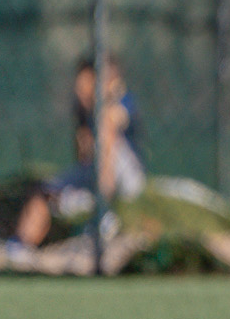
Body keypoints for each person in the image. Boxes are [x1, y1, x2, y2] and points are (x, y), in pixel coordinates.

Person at [14, 54, 143, 248]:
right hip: (91, 171)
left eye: (86, 80)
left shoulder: (121, 100)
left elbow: (113, 123)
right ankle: (19, 246)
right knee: (42, 191)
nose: (79, 86)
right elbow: (83, 158)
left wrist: (109, 97)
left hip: (126, 179)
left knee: (106, 128)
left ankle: (104, 213)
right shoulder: (82, 108)